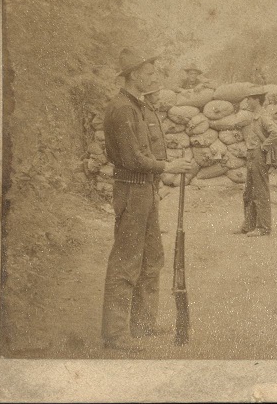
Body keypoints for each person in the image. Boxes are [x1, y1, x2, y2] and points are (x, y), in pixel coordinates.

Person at [102, 48, 192, 352]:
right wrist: (167, 167)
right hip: (131, 190)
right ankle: (115, 335)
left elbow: (150, 151)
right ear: (133, 75)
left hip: (147, 190)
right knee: (126, 261)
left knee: (152, 258)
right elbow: (131, 157)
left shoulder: (142, 106)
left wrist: (167, 163)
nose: (154, 74)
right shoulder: (121, 109)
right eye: (149, 70)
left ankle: (143, 324)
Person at [236, 85, 277, 237]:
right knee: (248, 192)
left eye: (249, 98)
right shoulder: (254, 115)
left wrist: (263, 147)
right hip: (251, 155)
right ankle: (249, 225)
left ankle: (263, 228)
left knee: (260, 192)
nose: (247, 101)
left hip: (258, 155)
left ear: (257, 100)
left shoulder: (263, 116)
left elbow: (276, 134)